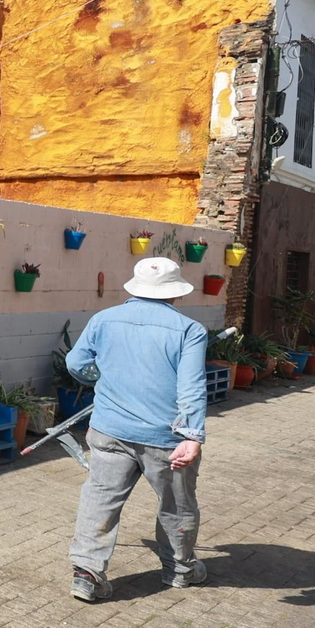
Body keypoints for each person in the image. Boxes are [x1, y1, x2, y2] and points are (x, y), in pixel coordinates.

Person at [63, 256, 208, 602]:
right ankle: (180, 569)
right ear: (175, 292)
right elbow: (191, 387)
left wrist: (102, 379)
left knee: (100, 497)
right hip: (166, 437)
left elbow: (76, 363)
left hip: (109, 429)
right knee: (176, 503)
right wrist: (192, 435)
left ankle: (87, 573)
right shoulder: (189, 330)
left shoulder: (104, 319)